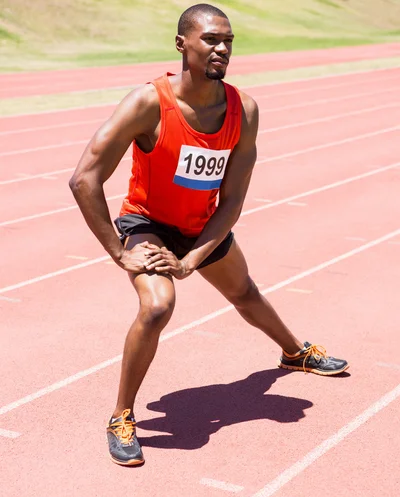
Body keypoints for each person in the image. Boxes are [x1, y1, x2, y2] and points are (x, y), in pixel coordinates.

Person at [69, 3, 348, 467]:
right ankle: (122, 416)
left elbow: (233, 201)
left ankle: (294, 353)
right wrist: (120, 253)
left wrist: (191, 260)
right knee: (158, 306)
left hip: (202, 225)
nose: (222, 48)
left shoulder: (244, 109)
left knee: (246, 293)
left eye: (229, 41)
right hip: (149, 225)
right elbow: (84, 179)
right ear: (182, 45)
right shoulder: (147, 103)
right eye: (211, 40)